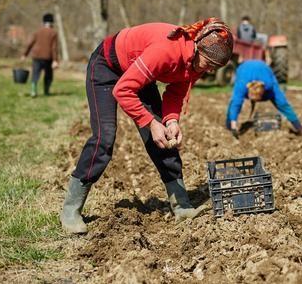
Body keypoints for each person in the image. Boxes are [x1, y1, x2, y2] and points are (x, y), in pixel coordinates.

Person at [60, 18, 233, 234]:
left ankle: (181, 206)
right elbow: (122, 90)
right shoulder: (166, 51)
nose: (208, 71)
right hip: (107, 67)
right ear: (198, 47)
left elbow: (177, 90)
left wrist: (171, 120)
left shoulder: (196, 62)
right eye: (209, 64)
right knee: (104, 138)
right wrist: (149, 122)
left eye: (214, 68)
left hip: (139, 71)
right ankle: (70, 210)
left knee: (163, 140)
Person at [226, 60, 302, 137]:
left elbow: (283, 103)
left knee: (282, 103)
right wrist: (234, 126)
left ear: (263, 93)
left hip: (264, 69)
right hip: (244, 68)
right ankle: (229, 125)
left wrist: (298, 126)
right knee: (234, 101)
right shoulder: (242, 84)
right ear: (248, 92)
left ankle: (298, 127)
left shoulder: (270, 85)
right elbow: (236, 103)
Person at [22, 13, 59, 97]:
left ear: (43, 22)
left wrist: (25, 54)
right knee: (48, 75)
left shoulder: (37, 31)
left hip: (36, 56)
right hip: (48, 57)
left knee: (35, 73)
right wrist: (55, 60)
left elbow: (30, 43)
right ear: (52, 22)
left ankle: (33, 91)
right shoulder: (53, 33)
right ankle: (46, 91)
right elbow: (54, 48)